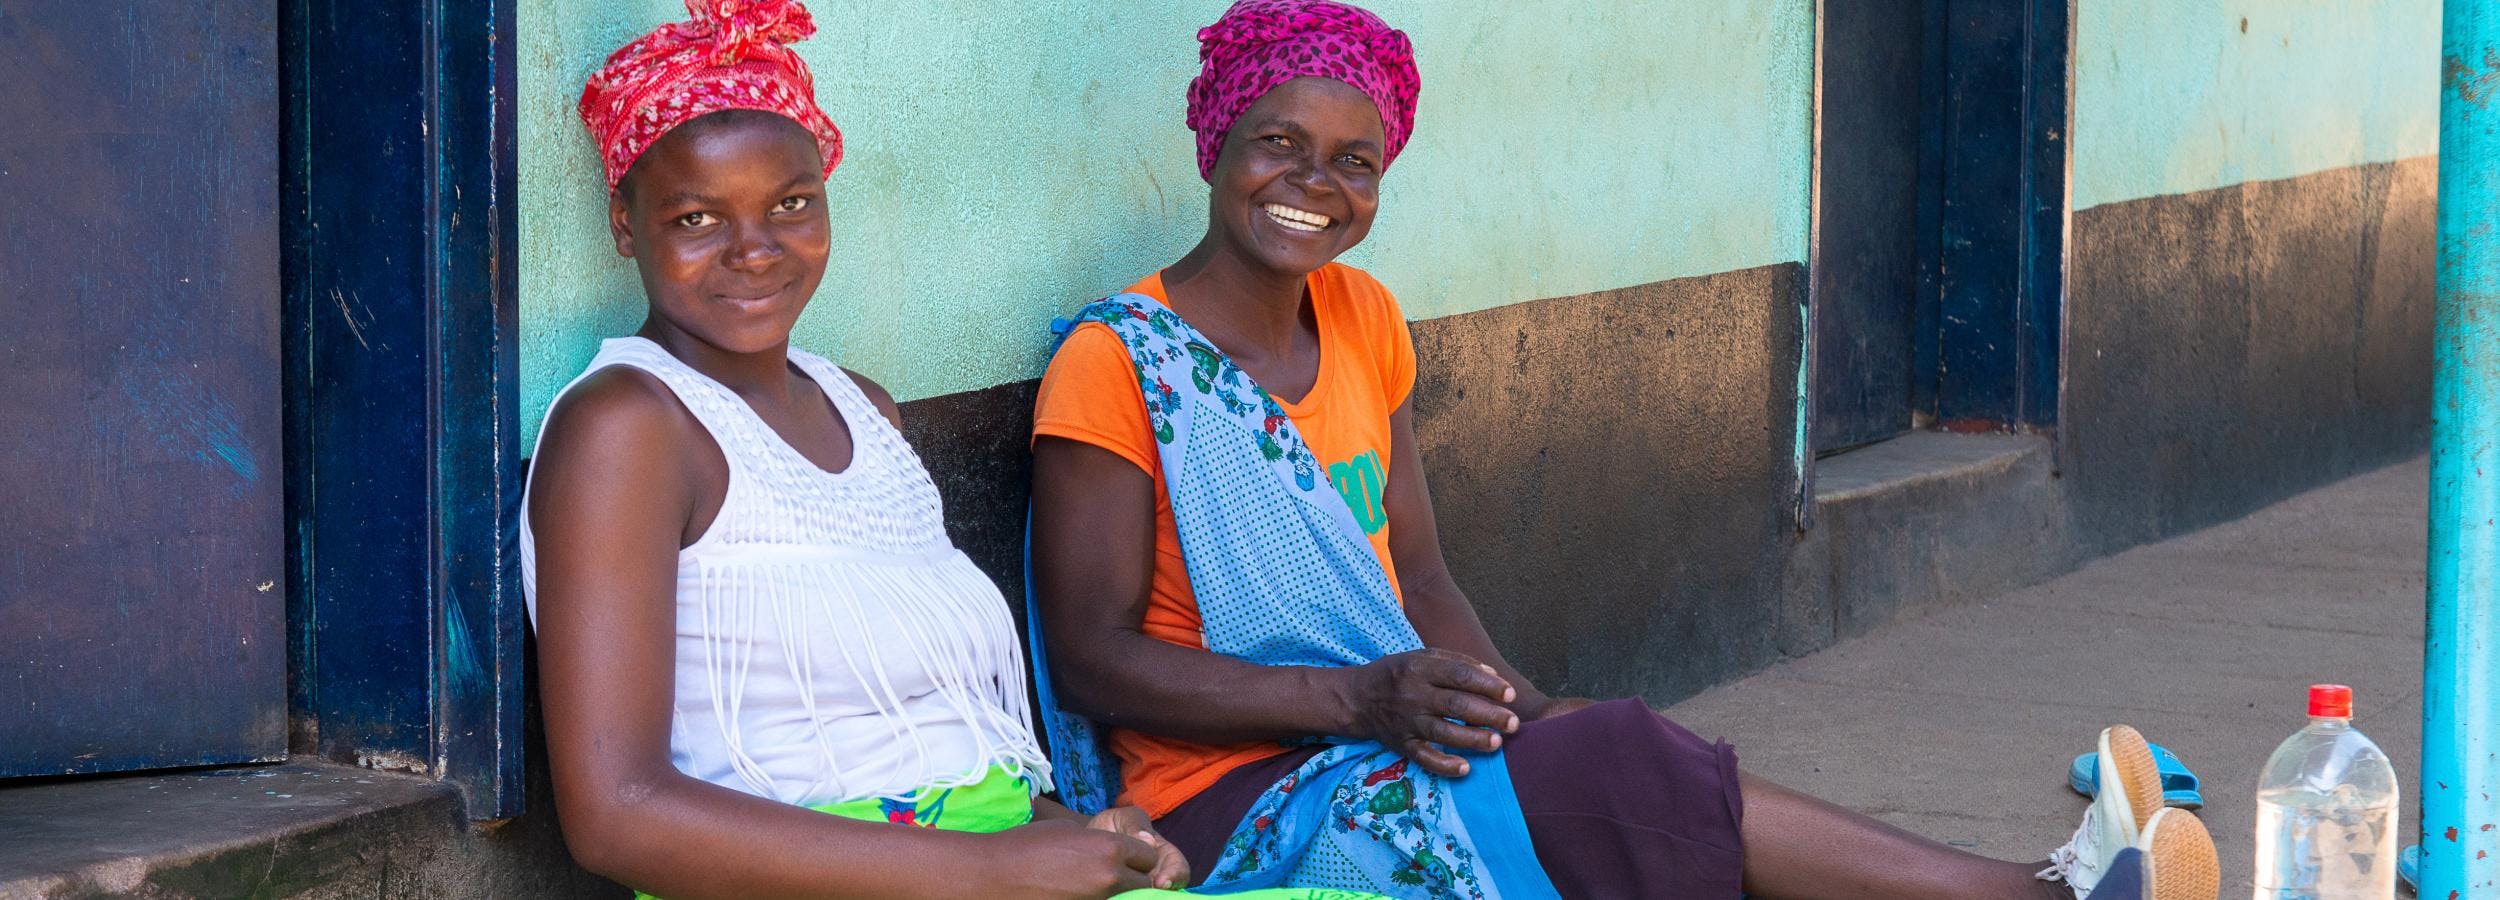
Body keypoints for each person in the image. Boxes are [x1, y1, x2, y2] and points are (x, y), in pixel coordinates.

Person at [1024, 2, 2222, 898]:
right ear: (1215, 148)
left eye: (1354, 163)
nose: (1313, 186)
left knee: (1597, 742)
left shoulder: (1365, 319)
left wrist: (1517, 706)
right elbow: (1089, 659)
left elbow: (1424, 580)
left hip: (1368, 730)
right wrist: (1358, 699)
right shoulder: (1123, 361)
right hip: (1219, 807)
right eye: (1278, 145)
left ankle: (2037, 887)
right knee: (1607, 775)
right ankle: (2027, 893)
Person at [522, 3, 1371, 897]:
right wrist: (985, 869)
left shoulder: (865, 411)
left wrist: (1073, 838)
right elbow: (616, 812)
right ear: (626, 226)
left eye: (792, 205)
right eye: (697, 219)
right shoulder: (626, 424)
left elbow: (920, 738)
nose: (755, 250)